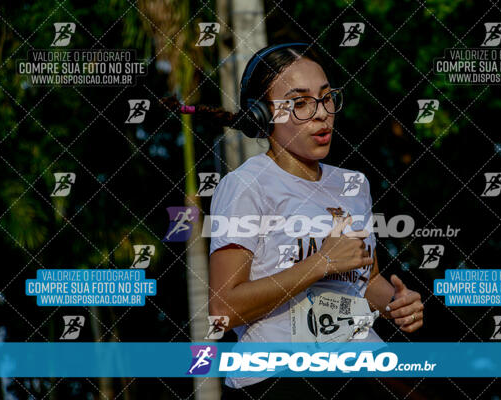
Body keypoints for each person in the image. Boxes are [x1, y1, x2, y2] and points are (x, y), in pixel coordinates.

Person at [164, 43, 424, 399]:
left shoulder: (354, 184)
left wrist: (396, 301)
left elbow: (365, 280)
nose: (322, 114)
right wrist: (320, 263)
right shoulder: (244, 186)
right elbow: (224, 308)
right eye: (299, 103)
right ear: (262, 114)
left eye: (327, 97)